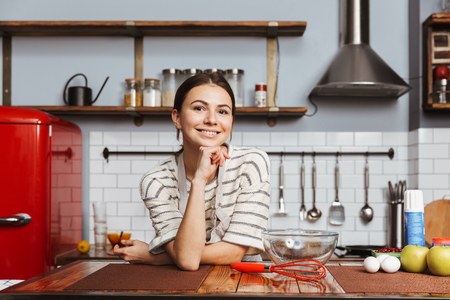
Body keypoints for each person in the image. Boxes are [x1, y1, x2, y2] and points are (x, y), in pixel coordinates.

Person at [113, 73, 271, 271]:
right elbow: (188, 262)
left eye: (222, 111)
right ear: (177, 118)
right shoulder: (157, 182)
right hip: (182, 287)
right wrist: (199, 180)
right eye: (199, 108)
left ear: (231, 121)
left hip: (242, 285)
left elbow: (233, 252)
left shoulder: (251, 164)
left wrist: (157, 258)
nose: (212, 120)